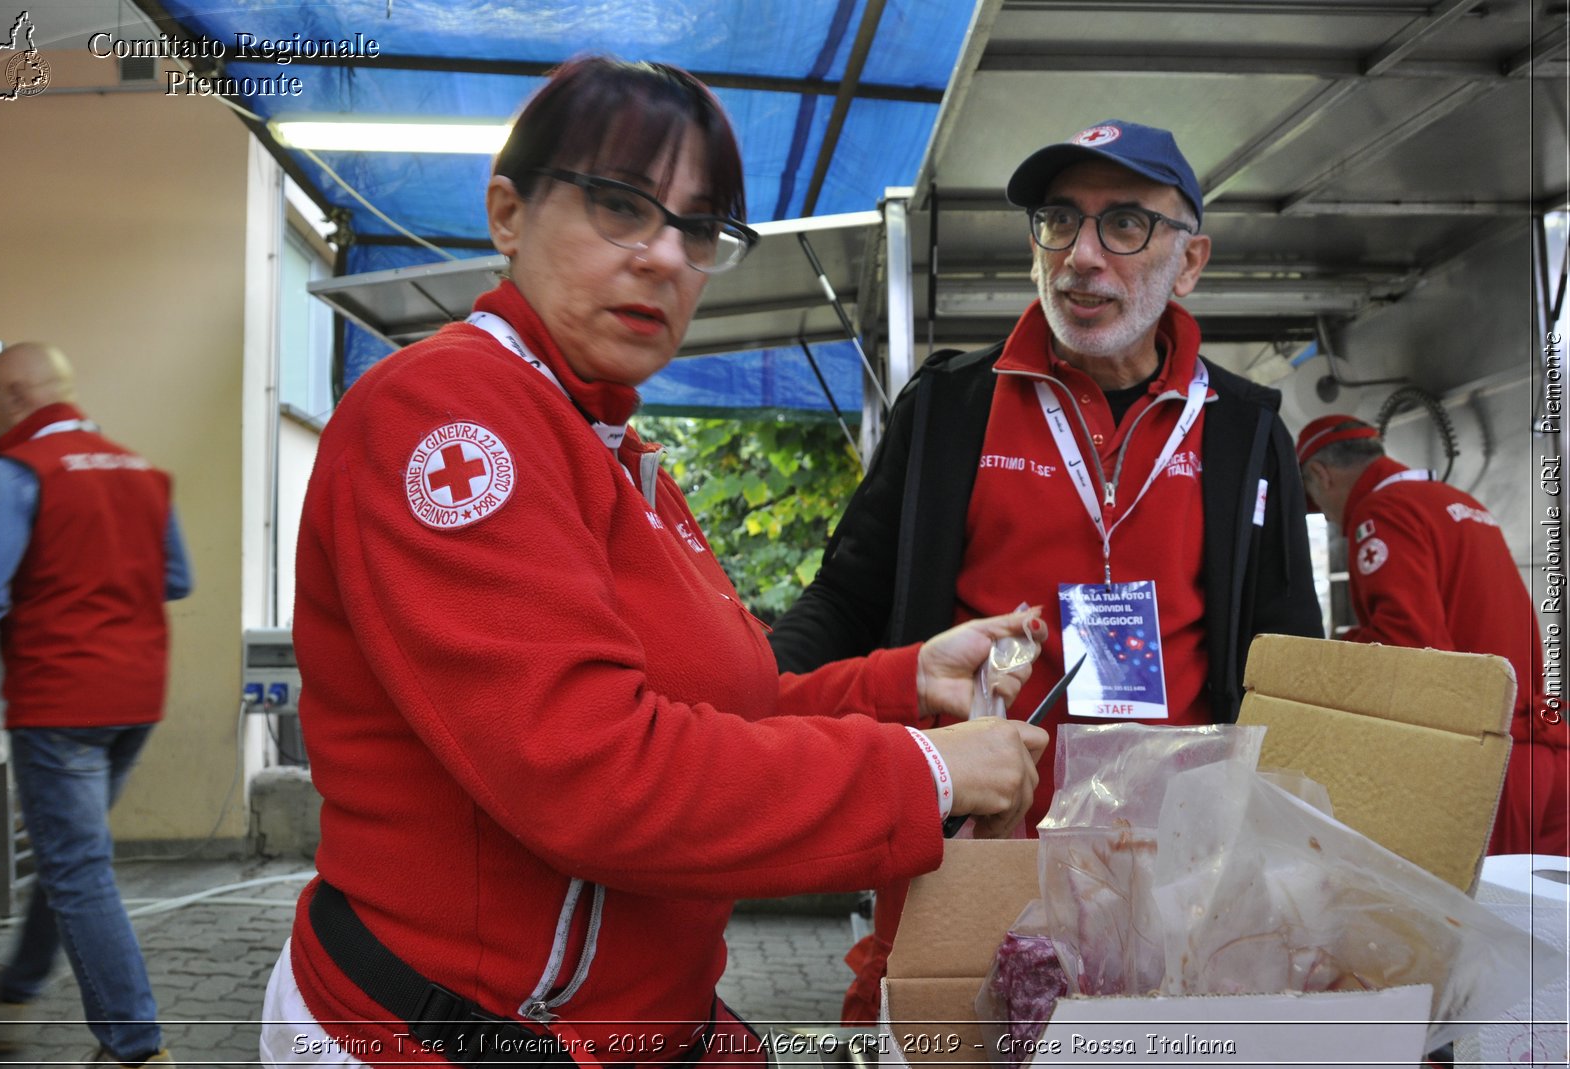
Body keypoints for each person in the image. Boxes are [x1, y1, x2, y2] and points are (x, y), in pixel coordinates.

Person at [257, 55, 1051, 1068]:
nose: (664, 256)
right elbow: (592, 772)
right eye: (619, 206)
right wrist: (923, 769)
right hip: (455, 1032)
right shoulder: (451, 416)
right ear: (507, 212)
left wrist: (906, 681)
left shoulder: (616, 453)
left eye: (697, 226)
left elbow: (728, 711)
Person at [769, 119, 1326, 1022]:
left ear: (1190, 262)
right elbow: (847, 595)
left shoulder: (1246, 431)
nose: (1081, 257)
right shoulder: (952, 406)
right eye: (1058, 221)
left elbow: (1291, 655)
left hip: (1173, 870)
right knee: (938, 1038)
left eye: (1126, 226)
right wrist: (759, 684)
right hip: (970, 847)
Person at [0, 342, 192, 1068]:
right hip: (136, 697)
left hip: (59, 698)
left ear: (20, 395)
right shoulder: (140, 470)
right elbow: (175, 578)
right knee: (72, 856)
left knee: (77, 867)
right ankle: (15, 988)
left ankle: (134, 1048)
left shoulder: (13, 474)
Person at [1297, 414, 1569, 856]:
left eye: (1316, 502)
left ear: (1322, 476)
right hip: (1547, 751)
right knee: (1547, 922)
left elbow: (1411, 645)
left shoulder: (1383, 511)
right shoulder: (1454, 500)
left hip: (1490, 769)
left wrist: (1324, 660)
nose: (1329, 520)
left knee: (1476, 920)